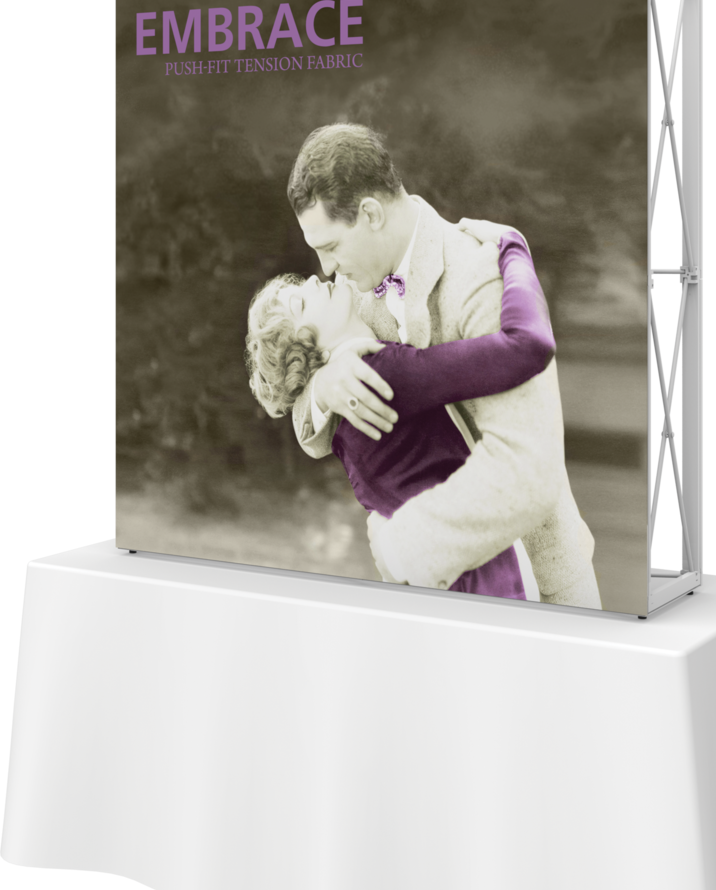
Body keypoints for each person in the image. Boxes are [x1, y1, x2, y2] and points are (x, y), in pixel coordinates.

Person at [287, 123, 601, 609]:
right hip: (437, 590)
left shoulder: (478, 273)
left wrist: (403, 548)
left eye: (329, 247)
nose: (326, 269)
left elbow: (527, 472)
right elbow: (306, 425)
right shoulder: (349, 293)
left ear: (370, 214)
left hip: (538, 587)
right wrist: (326, 385)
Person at [246, 224, 554, 600]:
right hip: (494, 584)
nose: (313, 280)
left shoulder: (340, 413)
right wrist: (514, 249)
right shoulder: (377, 376)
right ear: (309, 353)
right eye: (301, 304)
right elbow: (527, 346)